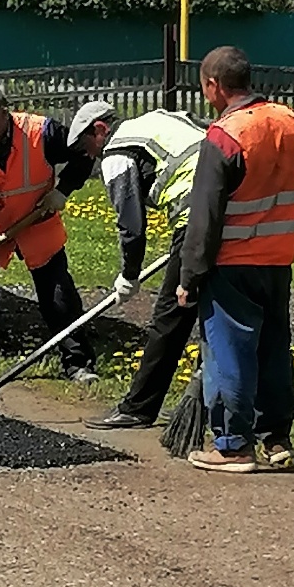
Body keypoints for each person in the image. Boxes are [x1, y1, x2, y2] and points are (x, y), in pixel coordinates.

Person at [177, 46, 294, 473]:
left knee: (229, 352)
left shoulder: (225, 135)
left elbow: (205, 214)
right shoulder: (291, 123)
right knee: (274, 348)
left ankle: (233, 445)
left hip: (232, 263)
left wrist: (190, 274)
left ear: (214, 85)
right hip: (277, 257)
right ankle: (276, 438)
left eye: (204, 87)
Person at [0, 83, 99, 387]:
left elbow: (84, 151)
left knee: (57, 293)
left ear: (4, 113)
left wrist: (62, 191)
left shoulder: (41, 132)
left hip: (37, 219)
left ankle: (77, 362)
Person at [65, 101, 209, 430]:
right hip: (231, 207)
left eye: (86, 146)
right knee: (216, 312)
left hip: (197, 217)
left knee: (170, 317)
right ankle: (211, 406)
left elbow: (131, 224)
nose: (89, 156)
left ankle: (138, 408)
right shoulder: (155, 120)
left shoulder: (116, 152)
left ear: (99, 130)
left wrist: (129, 275)